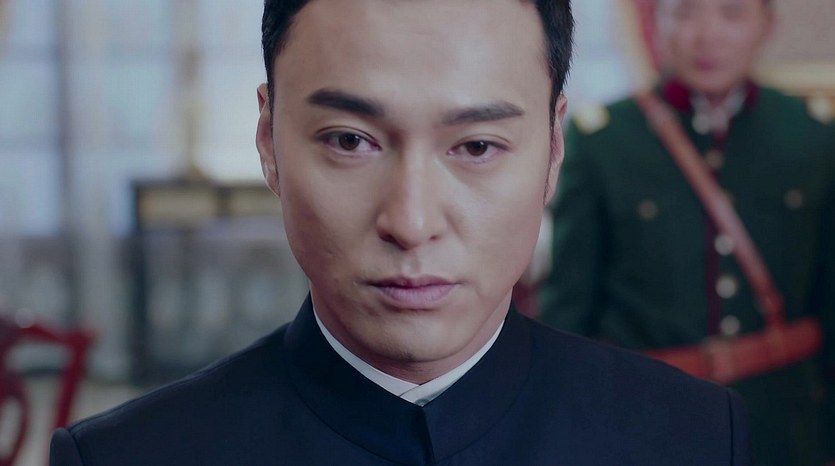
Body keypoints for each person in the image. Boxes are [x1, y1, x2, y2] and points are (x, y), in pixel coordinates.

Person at [49, 0, 751, 464]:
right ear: (268, 141)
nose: (411, 223)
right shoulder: (127, 456)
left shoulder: (689, 438)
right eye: (349, 140)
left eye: (476, 146)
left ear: (553, 149)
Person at [538, 0, 834, 464]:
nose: (707, 34)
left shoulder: (812, 137)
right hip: (648, 423)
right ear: (655, 23)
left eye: (732, 13)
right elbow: (569, 313)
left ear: (766, 25)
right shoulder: (604, 142)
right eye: (685, 12)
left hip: (785, 429)